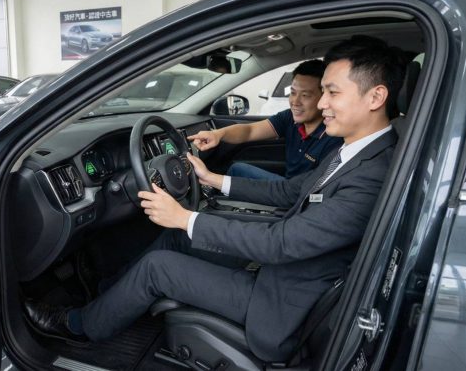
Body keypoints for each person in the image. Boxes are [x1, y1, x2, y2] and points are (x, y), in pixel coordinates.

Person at [24, 35, 405, 362]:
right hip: (285, 270)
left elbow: (282, 244)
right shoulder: (355, 151)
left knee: (159, 265)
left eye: (332, 92)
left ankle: (78, 326)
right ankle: (107, 300)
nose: (321, 104)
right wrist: (212, 179)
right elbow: (290, 191)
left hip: (282, 304)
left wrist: (185, 217)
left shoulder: (372, 174)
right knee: (177, 238)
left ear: (376, 96)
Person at [188, 60, 343, 180]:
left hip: (298, 196)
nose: (295, 102)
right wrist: (217, 134)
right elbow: (250, 131)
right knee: (237, 169)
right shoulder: (289, 118)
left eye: (305, 95)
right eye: (293, 93)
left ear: (324, 97)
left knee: (235, 172)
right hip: (288, 187)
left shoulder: (333, 136)